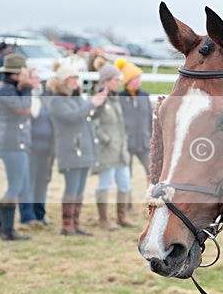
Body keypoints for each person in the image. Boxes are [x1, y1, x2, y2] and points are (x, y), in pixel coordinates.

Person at [47, 64, 104, 235]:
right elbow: (71, 117)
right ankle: (67, 225)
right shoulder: (57, 101)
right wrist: (91, 104)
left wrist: (98, 104)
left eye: (75, 78)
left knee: (79, 190)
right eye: (71, 78)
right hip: (70, 150)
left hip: (83, 149)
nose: (75, 81)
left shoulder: (76, 98)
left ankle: (75, 223)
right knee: (71, 189)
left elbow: (87, 115)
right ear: (63, 82)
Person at [0, 54, 33, 241]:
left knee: (16, 186)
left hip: (16, 142)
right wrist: (27, 89)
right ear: (18, 73)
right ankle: (7, 230)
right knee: (15, 188)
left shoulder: (10, 88)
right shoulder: (7, 90)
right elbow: (24, 109)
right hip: (12, 144)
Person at [93, 62, 134, 229]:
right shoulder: (99, 99)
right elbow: (93, 123)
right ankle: (104, 219)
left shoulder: (115, 99)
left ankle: (122, 217)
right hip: (107, 151)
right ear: (106, 81)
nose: (119, 83)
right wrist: (106, 139)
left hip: (120, 150)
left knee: (125, 183)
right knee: (105, 184)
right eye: (116, 80)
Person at [19, 69, 55, 227]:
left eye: (38, 78)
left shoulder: (45, 99)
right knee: (30, 182)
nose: (37, 81)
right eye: (34, 78)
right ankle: (27, 216)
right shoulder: (25, 98)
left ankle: (40, 214)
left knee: (42, 181)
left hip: (46, 148)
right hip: (31, 148)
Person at [116, 58, 152, 180]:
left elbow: (149, 118)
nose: (138, 81)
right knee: (126, 176)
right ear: (128, 80)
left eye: (139, 78)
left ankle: (151, 192)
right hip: (127, 143)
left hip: (144, 141)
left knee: (152, 172)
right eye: (135, 78)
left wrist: (152, 136)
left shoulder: (145, 96)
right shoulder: (119, 97)